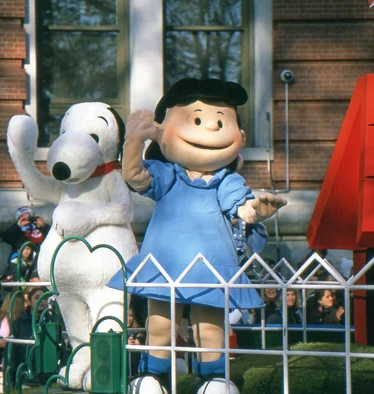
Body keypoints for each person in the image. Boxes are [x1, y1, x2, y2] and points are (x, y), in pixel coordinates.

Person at [107, 78, 287, 392]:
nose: (210, 129)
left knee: (210, 328)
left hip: (210, 268)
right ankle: (153, 376)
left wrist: (258, 210)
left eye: (221, 121)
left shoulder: (225, 180)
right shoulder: (167, 174)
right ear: (162, 130)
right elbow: (134, 177)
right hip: (166, 264)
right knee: (160, 325)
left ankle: (214, 378)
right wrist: (133, 140)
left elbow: (242, 208)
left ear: (240, 136)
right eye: (199, 119)